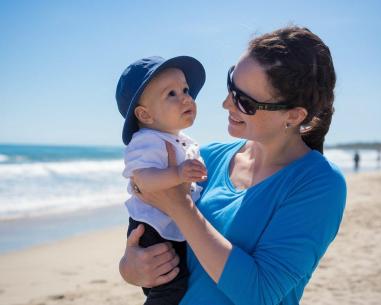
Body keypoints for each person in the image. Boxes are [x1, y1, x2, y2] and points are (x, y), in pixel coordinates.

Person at [119, 26, 347, 305]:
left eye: (245, 101)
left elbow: (260, 294)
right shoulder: (206, 158)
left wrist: (180, 206)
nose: (226, 103)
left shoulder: (319, 184)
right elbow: (149, 213)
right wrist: (131, 268)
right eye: (231, 86)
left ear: (293, 115)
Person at [116, 56, 207, 305]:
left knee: (180, 280)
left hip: (171, 224)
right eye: (172, 94)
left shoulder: (182, 141)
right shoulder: (147, 140)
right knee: (169, 286)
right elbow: (142, 180)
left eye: (186, 90)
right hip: (151, 227)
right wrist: (178, 174)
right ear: (145, 114)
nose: (186, 98)